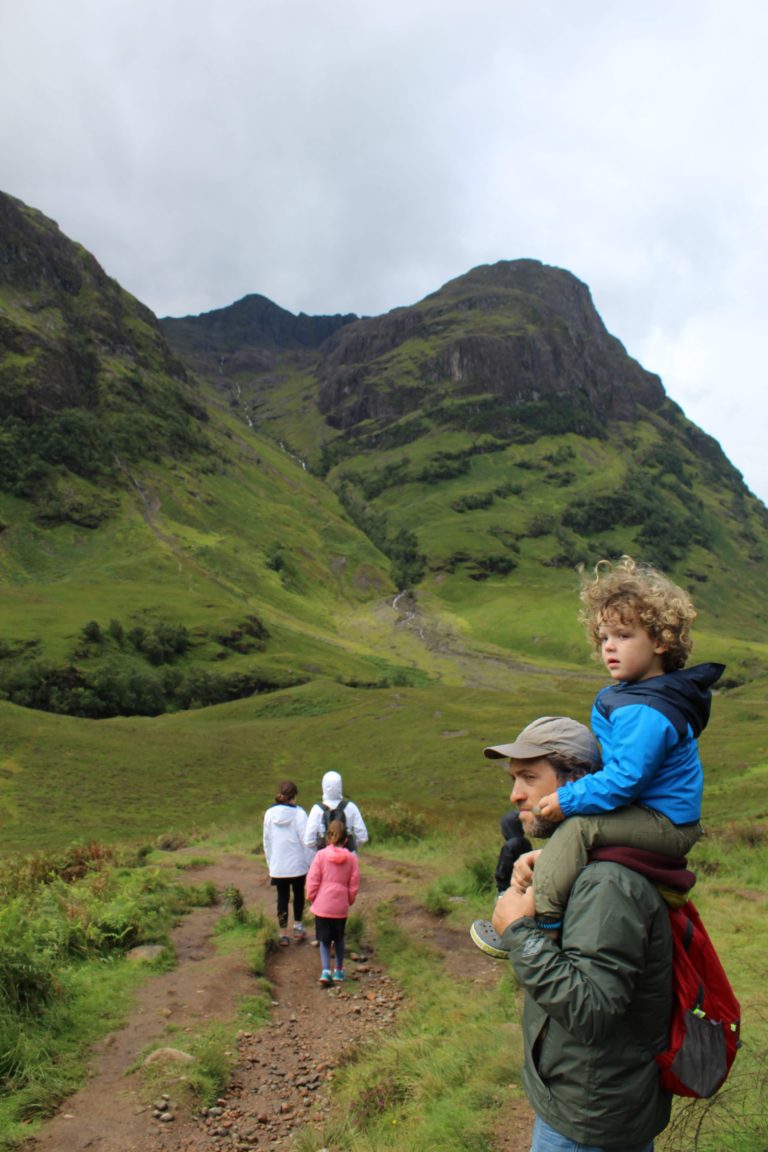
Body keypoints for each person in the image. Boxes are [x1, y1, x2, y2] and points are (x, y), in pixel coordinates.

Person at [489, 716, 675, 1151]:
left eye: (530, 777)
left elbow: (592, 1010)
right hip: (583, 1099)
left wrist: (518, 931)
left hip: (590, 1119)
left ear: (577, 781)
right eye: (515, 778)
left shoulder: (607, 880)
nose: (515, 794)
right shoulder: (581, 862)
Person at [470, 809, 532, 957]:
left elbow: (503, 868)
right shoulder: (525, 842)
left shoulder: (509, 845)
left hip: (507, 887)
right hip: (524, 885)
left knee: (503, 913)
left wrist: (499, 880)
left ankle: (504, 939)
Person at [306, 818, 360, 986]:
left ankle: (325, 971)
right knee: (339, 938)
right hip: (340, 906)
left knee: (324, 940)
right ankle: (339, 970)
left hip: (322, 905)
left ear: (328, 838)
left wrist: (312, 897)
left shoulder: (320, 856)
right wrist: (349, 900)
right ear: (345, 840)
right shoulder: (351, 859)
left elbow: (313, 879)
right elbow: (354, 884)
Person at [262, 780, 311, 945]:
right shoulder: (300, 814)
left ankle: (283, 933)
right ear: (294, 796)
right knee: (298, 895)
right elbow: (306, 841)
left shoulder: (269, 814)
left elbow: (266, 840)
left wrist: (271, 862)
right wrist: (310, 862)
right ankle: (298, 926)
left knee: (282, 897)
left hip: (278, 864)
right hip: (298, 864)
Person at [304, 770, 369, 856]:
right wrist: (351, 846)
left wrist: (320, 848)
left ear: (323, 786)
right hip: (348, 856)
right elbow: (363, 837)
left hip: (324, 857)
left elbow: (308, 841)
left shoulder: (316, 810)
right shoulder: (351, 807)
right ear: (340, 786)